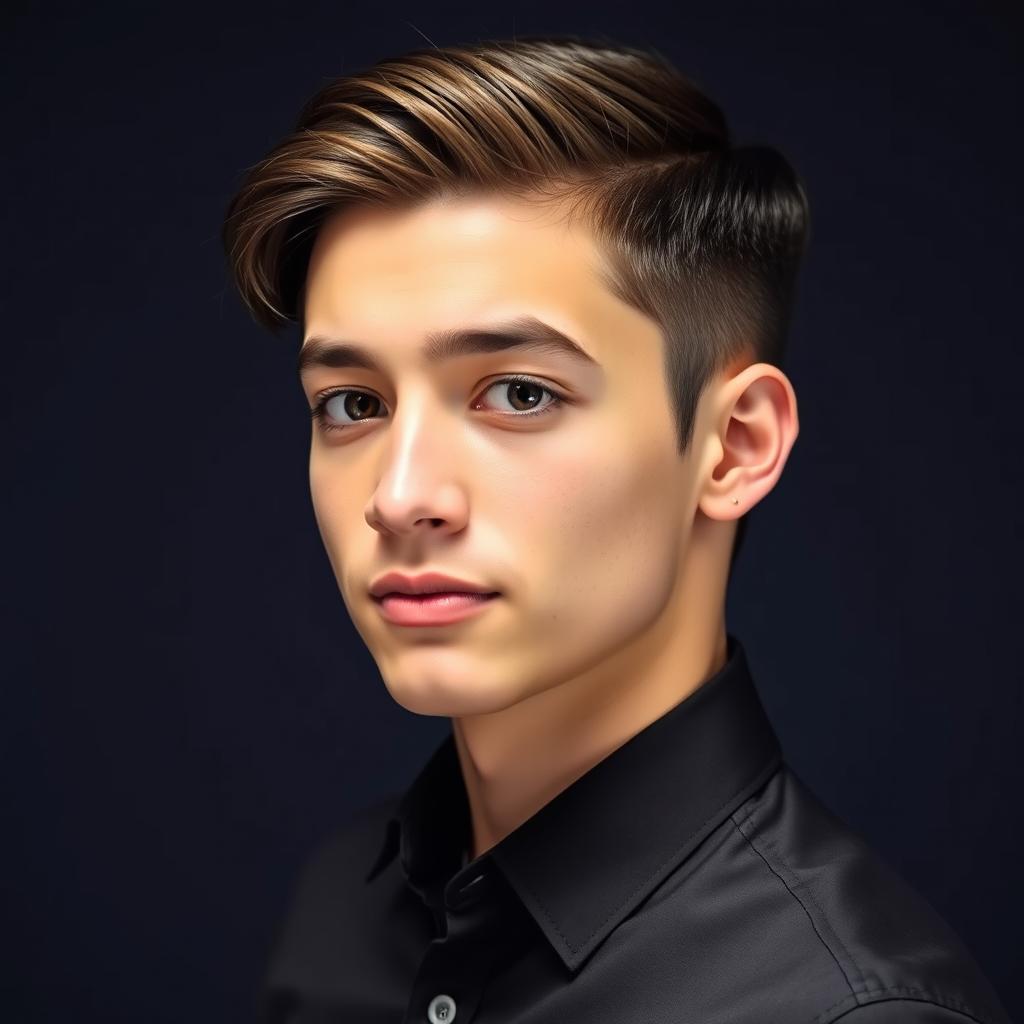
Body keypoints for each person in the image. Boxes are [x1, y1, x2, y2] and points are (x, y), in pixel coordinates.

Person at [221, 35, 1011, 1024]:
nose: (399, 494)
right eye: (350, 403)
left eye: (516, 392)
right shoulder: (345, 901)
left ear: (731, 446)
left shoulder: (849, 1012)